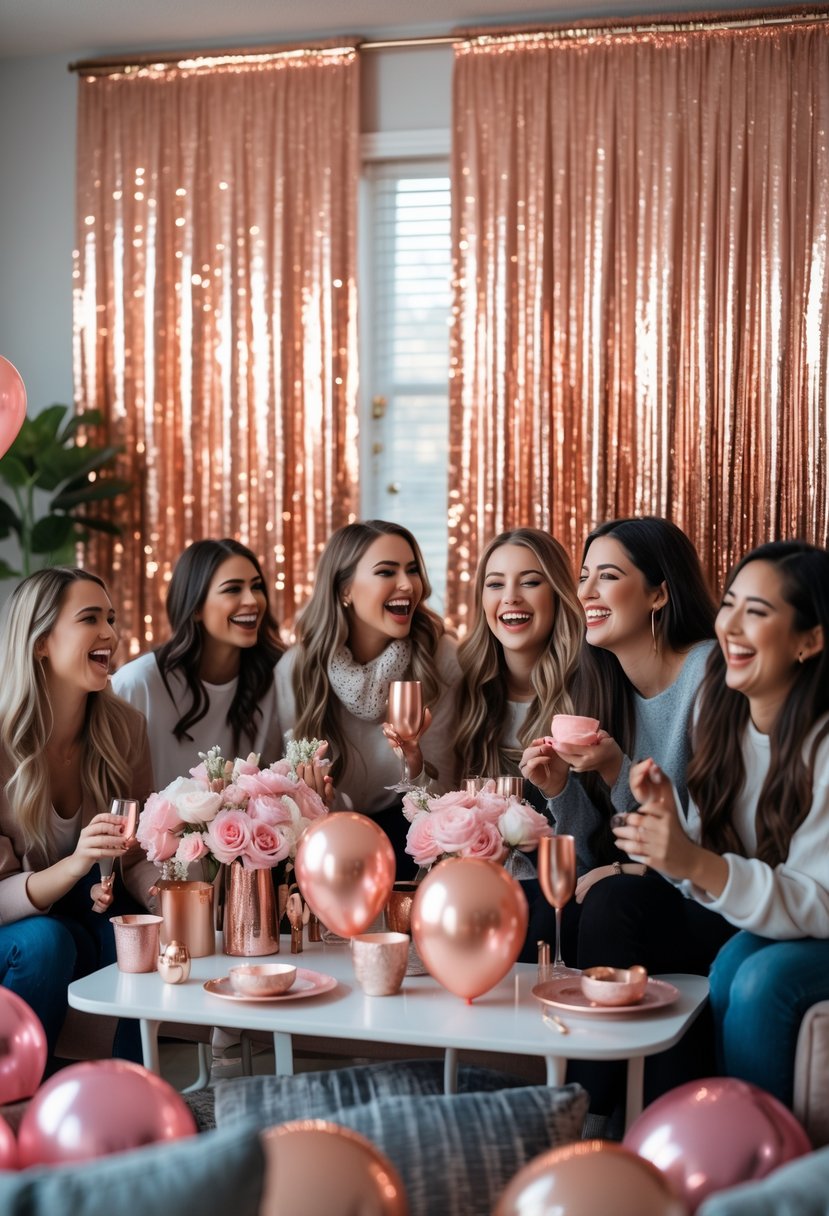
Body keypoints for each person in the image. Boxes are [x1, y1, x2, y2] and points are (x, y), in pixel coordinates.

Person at [614, 540, 829, 1106]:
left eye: (757, 613)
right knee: (731, 963)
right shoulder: (724, 715)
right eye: (729, 604)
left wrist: (692, 859)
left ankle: (770, 1170)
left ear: (811, 640)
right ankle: (728, 1134)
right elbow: (710, 870)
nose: (730, 626)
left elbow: (819, 900)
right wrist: (674, 836)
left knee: (762, 981)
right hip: (794, 921)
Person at [0, 567, 158, 1063]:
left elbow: (134, 856)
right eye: (90, 619)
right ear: (41, 642)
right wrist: (74, 866)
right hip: (17, 921)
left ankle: (131, 1091)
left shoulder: (124, 728)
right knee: (49, 943)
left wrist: (171, 897)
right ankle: (18, 1095)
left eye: (110, 619)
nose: (110, 634)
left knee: (133, 934)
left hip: (83, 911)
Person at [520, 516, 717, 886]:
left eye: (607, 577)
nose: (585, 592)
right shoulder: (601, 685)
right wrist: (559, 788)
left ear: (658, 594)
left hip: (707, 896)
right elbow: (585, 863)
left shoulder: (709, 674)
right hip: (641, 892)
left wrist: (617, 771)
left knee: (611, 901)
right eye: (584, 577)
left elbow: (703, 847)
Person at [276, 519, 461, 876]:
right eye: (386, 571)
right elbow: (290, 785)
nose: (408, 585)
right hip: (325, 840)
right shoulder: (297, 668)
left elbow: (443, 793)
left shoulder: (439, 659)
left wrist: (416, 762)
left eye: (412, 570)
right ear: (345, 589)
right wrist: (320, 802)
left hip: (412, 834)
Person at [112, 538, 288, 786]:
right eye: (233, 589)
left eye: (256, 587)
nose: (252, 601)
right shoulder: (138, 684)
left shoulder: (276, 678)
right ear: (195, 608)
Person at [455, 527, 582, 798]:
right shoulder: (459, 680)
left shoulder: (592, 682)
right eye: (495, 584)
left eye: (530, 582)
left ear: (557, 594)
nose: (510, 597)